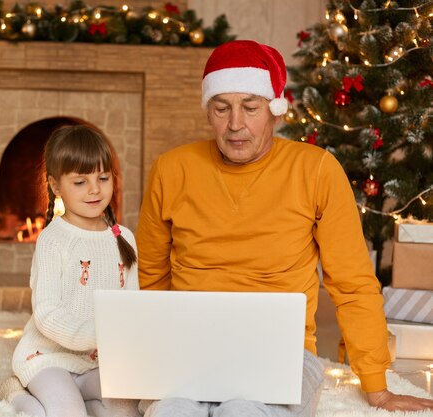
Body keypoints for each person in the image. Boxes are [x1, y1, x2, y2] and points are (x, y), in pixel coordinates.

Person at [135, 40, 433, 416]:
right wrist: (154, 355)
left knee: (240, 411)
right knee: (171, 412)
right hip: (191, 348)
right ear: (208, 111)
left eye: (251, 107)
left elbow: (352, 280)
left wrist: (377, 384)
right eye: (221, 108)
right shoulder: (171, 168)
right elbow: (151, 274)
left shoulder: (317, 169)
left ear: (275, 111)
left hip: (281, 354)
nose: (235, 124)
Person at [4, 124, 140, 417]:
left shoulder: (124, 238)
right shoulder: (53, 239)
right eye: (80, 182)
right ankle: (15, 395)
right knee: (67, 412)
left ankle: (81, 399)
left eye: (103, 178)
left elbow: (131, 307)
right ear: (55, 186)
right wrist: (100, 333)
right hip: (48, 358)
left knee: (128, 409)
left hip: (99, 361)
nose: (94, 189)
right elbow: (47, 313)